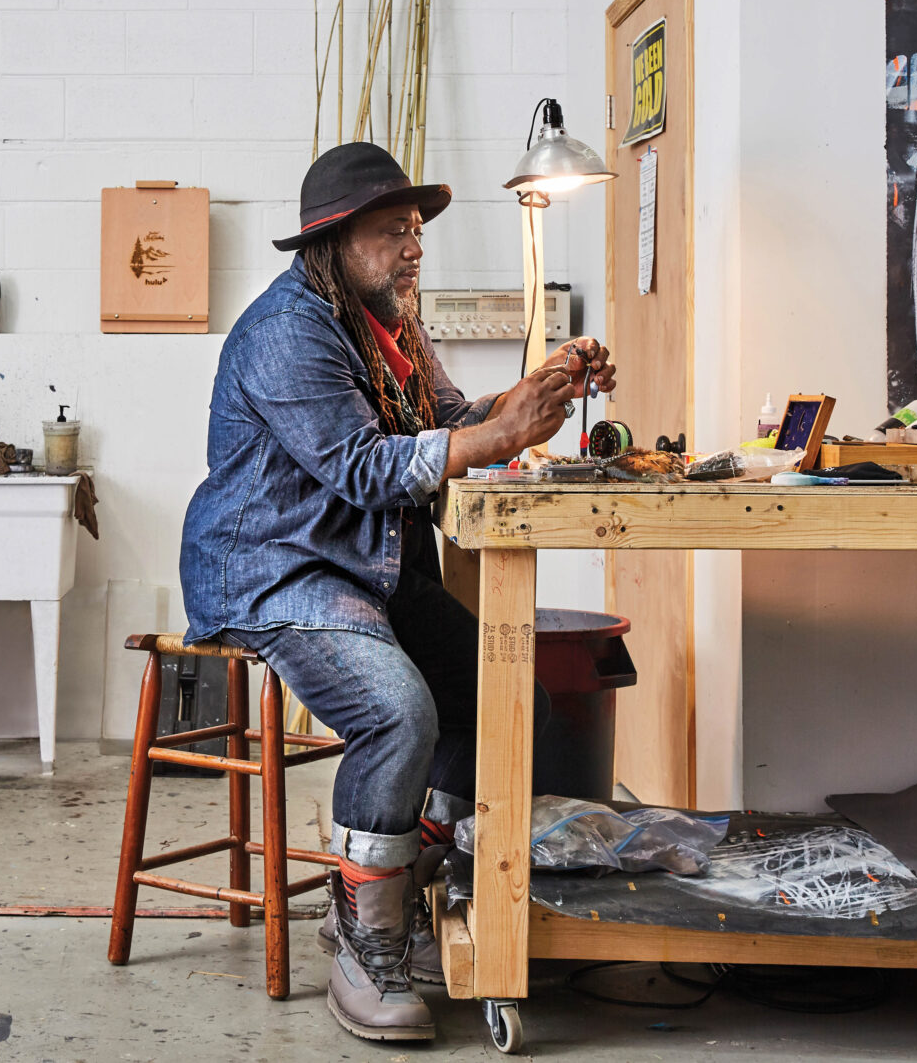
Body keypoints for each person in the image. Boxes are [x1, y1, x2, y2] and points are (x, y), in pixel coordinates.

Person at [178, 142, 617, 1043]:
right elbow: (361, 467)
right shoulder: (287, 331)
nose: (414, 248)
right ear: (333, 242)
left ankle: (418, 892)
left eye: (416, 231)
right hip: (274, 566)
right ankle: (363, 940)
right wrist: (500, 438)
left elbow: (451, 421)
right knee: (398, 713)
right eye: (392, 232)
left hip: (360, 564)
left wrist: (539, 387)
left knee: (503, 698)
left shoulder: (390, 319)